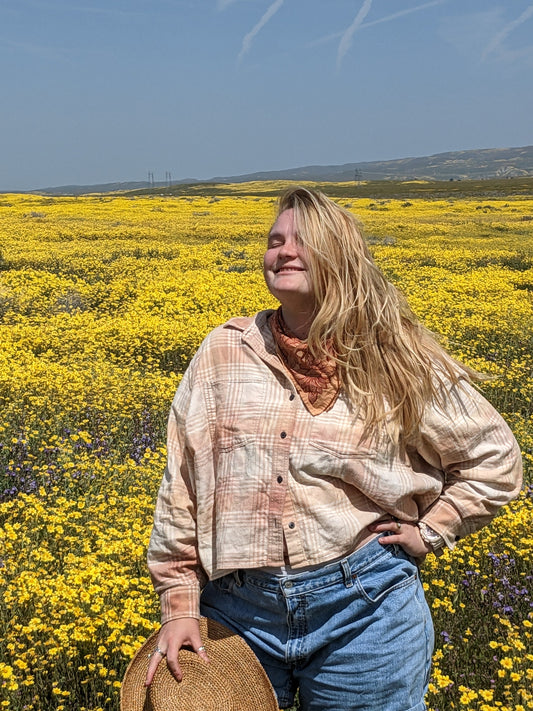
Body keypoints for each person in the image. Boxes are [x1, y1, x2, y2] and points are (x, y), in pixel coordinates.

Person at [144, 187, 523, 710]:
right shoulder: (224, 352)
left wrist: (433, 530)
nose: (284, 251)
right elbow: (182, 482)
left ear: (342, 261)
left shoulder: (393, 355)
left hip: (364, 607)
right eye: (275, 241)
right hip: (236, 615)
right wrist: (180, 602)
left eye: (304, 242)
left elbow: (495, 458)